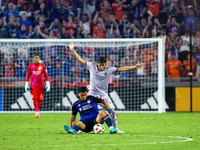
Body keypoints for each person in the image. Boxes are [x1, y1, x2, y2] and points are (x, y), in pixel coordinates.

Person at [68, 42, 143, 133]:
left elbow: (122, 68)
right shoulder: (92, 66)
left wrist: (134, 67)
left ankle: (115, 128)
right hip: (91, 92)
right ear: (97, 64)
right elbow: (80, 60)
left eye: (103, 65)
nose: (102, 67)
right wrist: (72, 50)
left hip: (103, 94)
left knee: (112, 111)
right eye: (100, 65)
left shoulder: (109, 69)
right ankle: (80, 127)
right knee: (84, 108)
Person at [25, 54, 50, 118]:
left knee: (39, 99)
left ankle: (37, 111)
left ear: (39, 59)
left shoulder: (42, 66)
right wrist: (26, 84)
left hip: (41, 86)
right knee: (34, 98)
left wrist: (47, 84)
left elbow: (46, 76)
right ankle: (36, 112)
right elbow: (28, 76)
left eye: (37, 58)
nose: (36, 59)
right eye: (35, 58)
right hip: (33, 86)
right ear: (33, 59)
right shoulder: (30, 66)